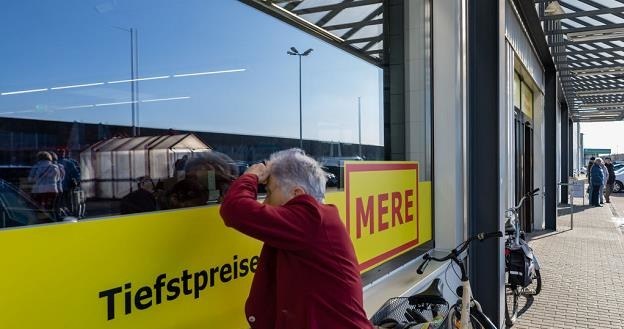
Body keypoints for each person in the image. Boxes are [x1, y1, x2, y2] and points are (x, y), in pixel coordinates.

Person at [219, 148, 373, 329]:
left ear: (297, 194)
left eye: (268, 192)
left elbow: (234, 209)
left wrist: (251, 176)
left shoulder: (311, 218)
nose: (264, 203)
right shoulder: (315, 221)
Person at [28, 151, 61, 216]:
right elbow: (58, 179)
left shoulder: (36, 167)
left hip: (39, 190)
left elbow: (30, 179)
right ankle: (52, 221)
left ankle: (41, 222)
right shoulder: (55, 167)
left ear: (39, 158)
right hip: (53, 190)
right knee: (51, 208)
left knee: (39, 209)